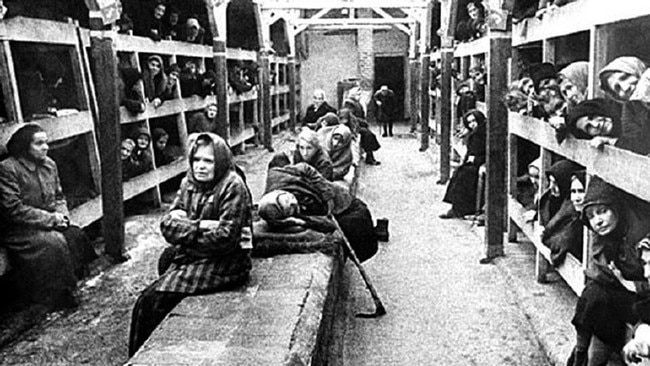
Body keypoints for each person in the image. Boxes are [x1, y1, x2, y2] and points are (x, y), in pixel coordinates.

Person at [128, 132, 253, 356]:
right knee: (166, 259)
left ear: (220, 161)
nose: (201, 166)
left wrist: (186, 229)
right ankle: (145, 352)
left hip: (228, 261)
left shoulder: (232, 186)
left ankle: (147, 356)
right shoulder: (189, 182)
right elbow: (167, 225)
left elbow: (226, 238)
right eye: (196, 159)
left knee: (150, 300)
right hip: (199, 252)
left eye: (208, 160)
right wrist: (201, 225)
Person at [0, 124, 93, 310]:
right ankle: (55, 294)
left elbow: (59, 196)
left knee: (74, 234)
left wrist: (63, 217)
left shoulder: (49, 165)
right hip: (19, 228)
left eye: (46, 142)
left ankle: (74, 282)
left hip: (47, 221)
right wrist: (51, 220)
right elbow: (12, 208)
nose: (45, 147)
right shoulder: (7, 168)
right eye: (39, 143)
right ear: (24, 146)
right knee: (53, 242)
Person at [568, 176, 650, 366]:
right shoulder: (606, 238)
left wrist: (631, 285)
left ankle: (580, 356)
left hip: (644, 302)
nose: (598, 221)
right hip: (627, 296)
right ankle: (581, 353)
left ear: (616, 208)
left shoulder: (638, 233)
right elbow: (600, 274)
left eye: (602, 211)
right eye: (591, 217)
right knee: (594, 295)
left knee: (596, 297)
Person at [261, 154, 378, 262]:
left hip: (334, 196)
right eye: (291, 208)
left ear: (279, 192)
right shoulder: (282, 212)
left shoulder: (277, 176)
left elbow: (305, 168)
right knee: (350, 228)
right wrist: (299, 220)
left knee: (361, 217)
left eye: (288, 198)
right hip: (325, 210)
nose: (293, 201)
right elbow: (324, 224)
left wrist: (326, 194)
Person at [440, 110, 486, 219]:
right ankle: (456, 207)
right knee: (458, 173)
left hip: (482, 162)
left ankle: (462, 209)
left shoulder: (484, 132)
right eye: (469, 122)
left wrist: (476, 160)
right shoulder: (474, 133)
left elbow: (489, 152)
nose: (472, 124)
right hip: (473, 163)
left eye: (474, 121)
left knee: (465, 175)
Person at [539, 163, 585, 266]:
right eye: (573, 192)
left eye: (555, 183)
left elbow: (563, 240)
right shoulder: (551, 198)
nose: (551, 187)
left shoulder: (572, 207)